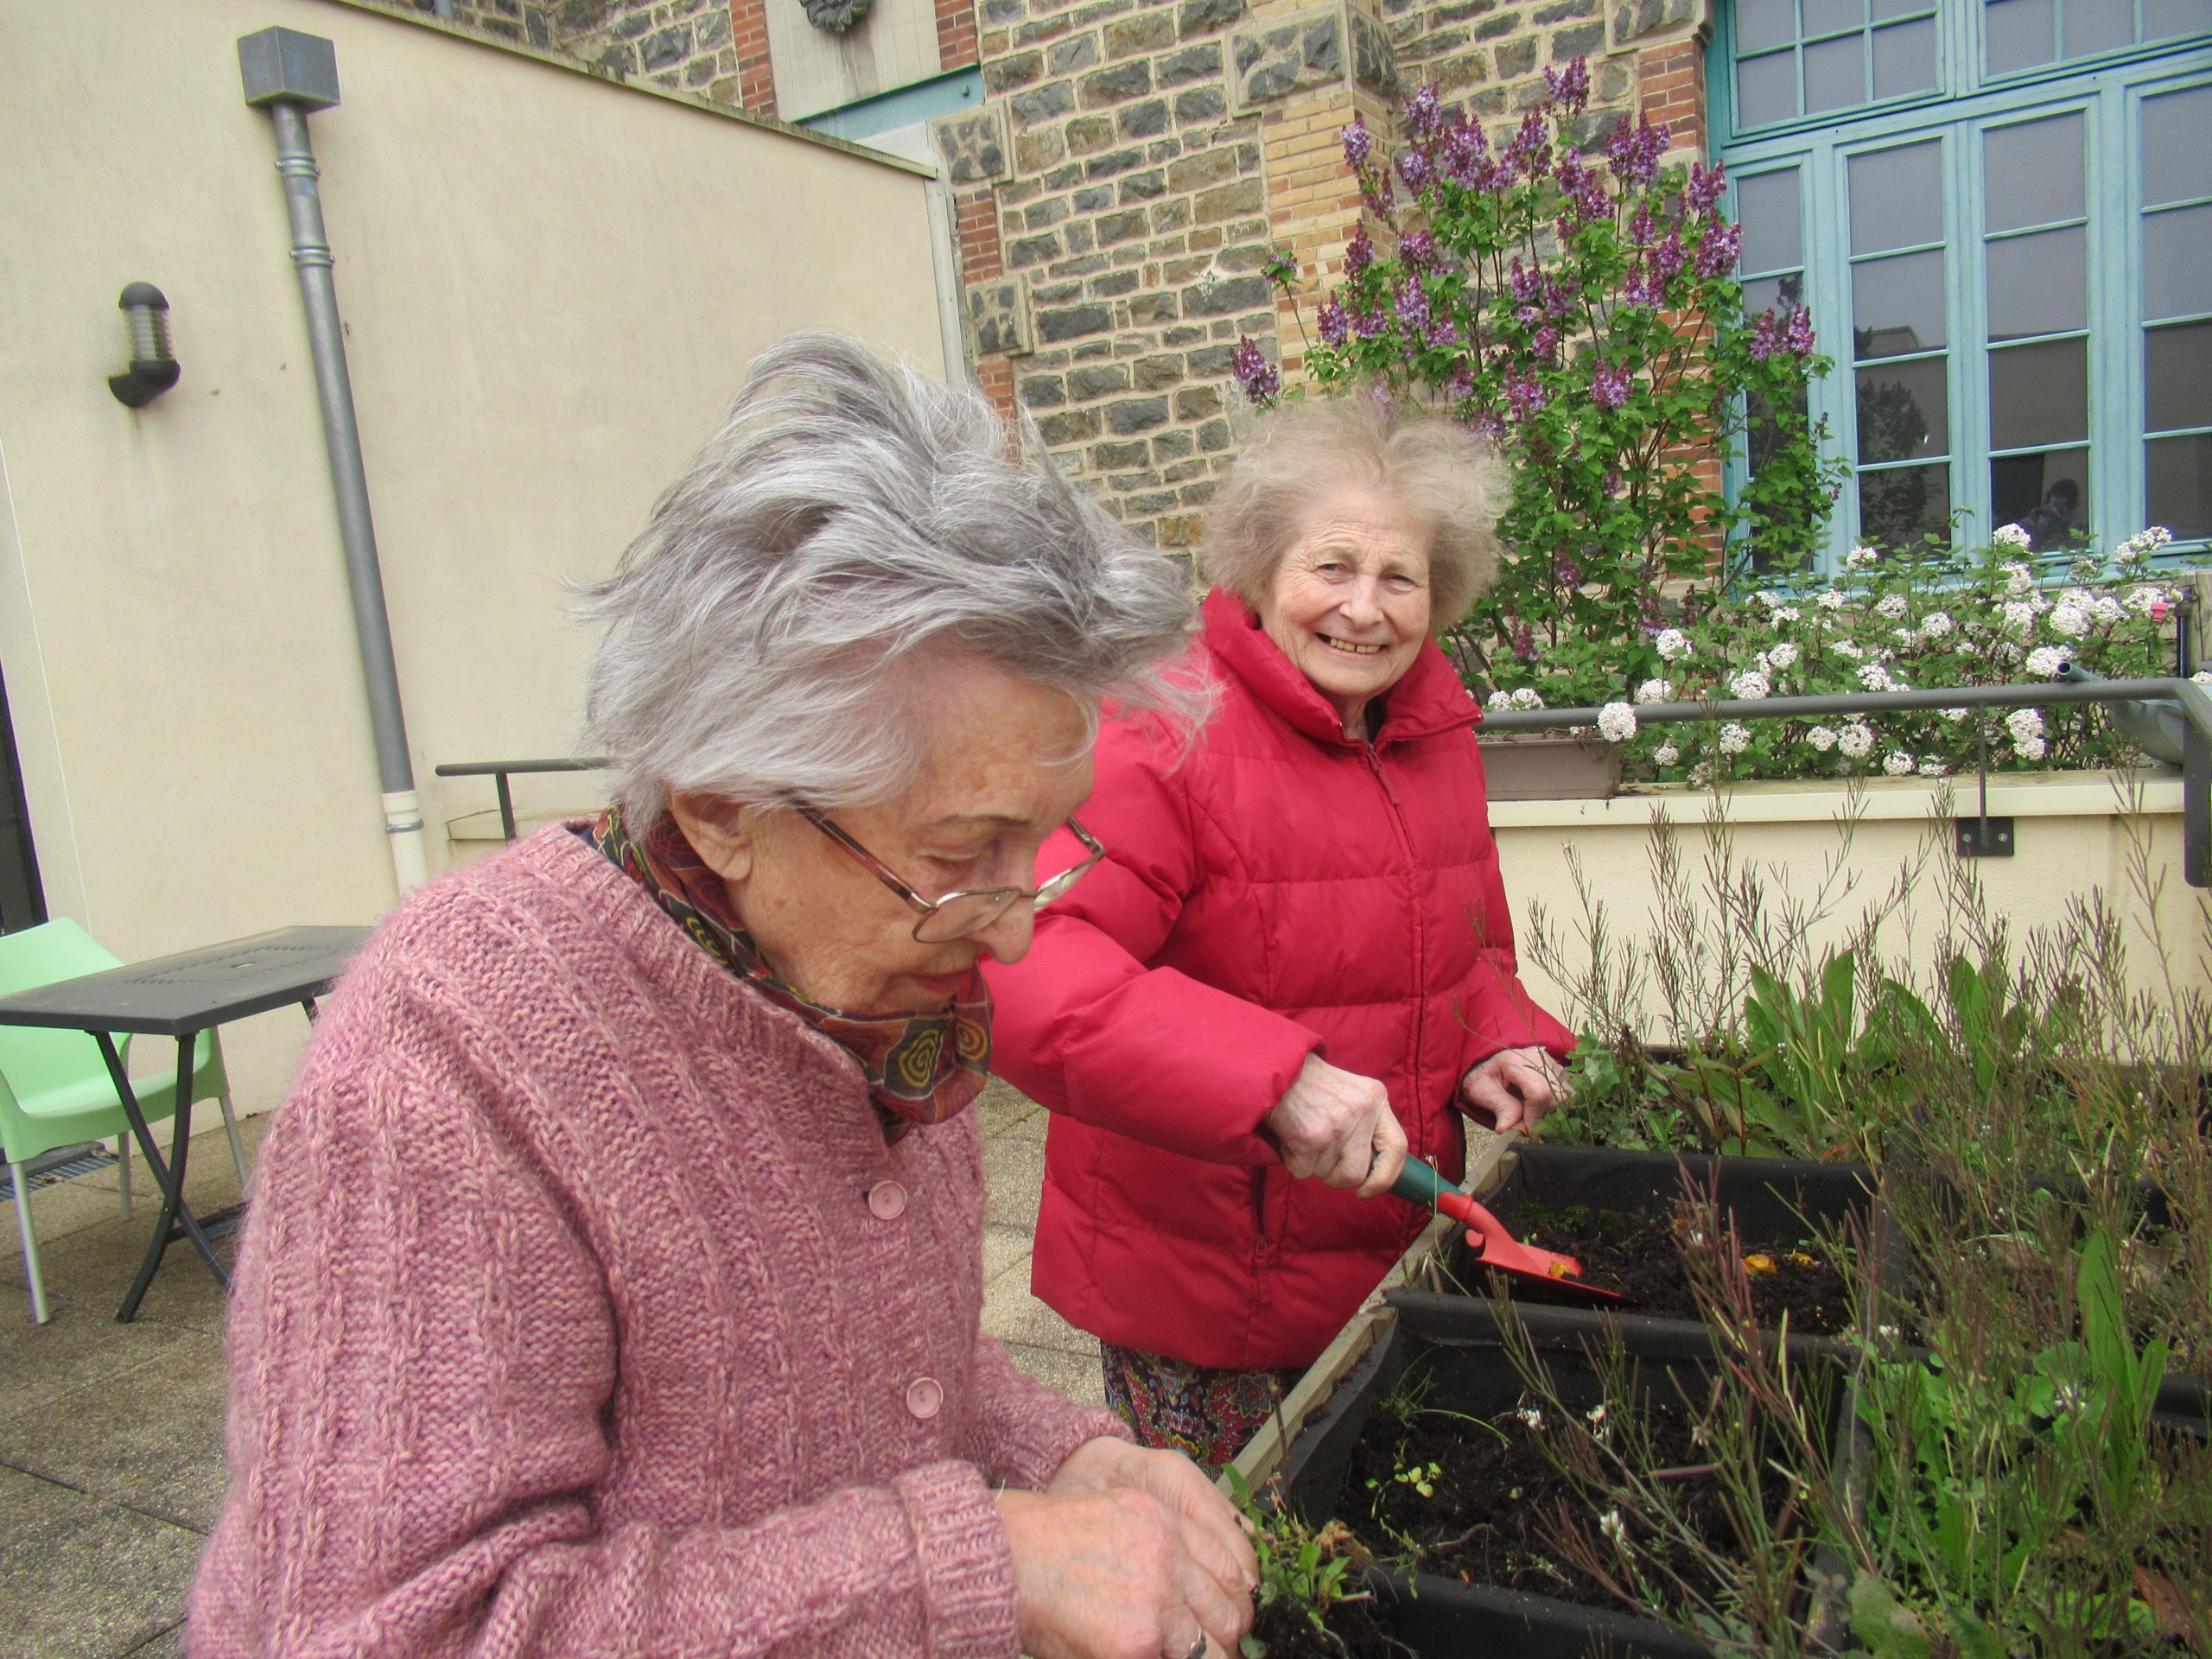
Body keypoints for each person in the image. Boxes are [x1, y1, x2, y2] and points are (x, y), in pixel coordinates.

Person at [189, 334, 1259, 1659]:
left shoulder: (866, 995)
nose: (1019, 931)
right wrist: (970, 1569)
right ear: (720, 802)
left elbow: (847, 1375)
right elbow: (393, 1634)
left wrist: (1062, 1458)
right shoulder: (451, 1068)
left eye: (1038, 843)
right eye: (957, 856)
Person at [985, 393, 1575, 1467]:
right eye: (1331, 568)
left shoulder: (1430, 730)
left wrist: (1495, 1028)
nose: (1364, 609)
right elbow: (1019, 963)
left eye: (1400, 578)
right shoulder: (1167, 726)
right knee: (1233, 1585)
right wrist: (1270, 1080)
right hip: (1209, 1290)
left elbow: (1467, 940)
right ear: (1260, 573)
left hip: (1392, 1245)